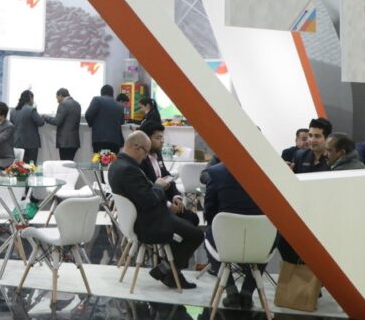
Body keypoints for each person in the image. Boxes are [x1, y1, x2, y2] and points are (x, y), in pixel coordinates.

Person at [108, 131, 202, 290]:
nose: (145, 156)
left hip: (143, 218)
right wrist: (158, 186)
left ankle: (169, 270)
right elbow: (148, 200)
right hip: (149, 223)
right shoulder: (129, 169)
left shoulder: (117, 164)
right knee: (197, 235)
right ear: (136, 147)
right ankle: (167, 271)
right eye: (145, 152)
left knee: (189, 221)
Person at [202, 161, 264, 308]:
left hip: (225, 239)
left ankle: (231, 291)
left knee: (209, 237)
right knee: (271, 239)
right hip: (260, 239)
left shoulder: (215, 172)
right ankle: (247, 292)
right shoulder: (268, 171)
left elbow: (209, 209)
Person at [139, 122, 198, 226]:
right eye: (158, 138)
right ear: (146, 139)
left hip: (166, 200)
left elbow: (167, 176)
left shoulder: (157, 154)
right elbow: (147, 190)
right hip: (155, 208)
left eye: (162, 137)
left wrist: (176, 196)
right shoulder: (141, 161)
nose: (162, 141)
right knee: (190, 223)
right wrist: (169, 205)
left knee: (193, 218)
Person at [43, 88, 81, 161]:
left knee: (64, 164)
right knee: (70, 163)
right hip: (74, 141)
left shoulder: (63, 104)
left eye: (57, 98)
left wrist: (45, 117)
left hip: (65, 142)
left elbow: (57, 121)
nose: (57, 100)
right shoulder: (77, 104)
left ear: (60, 95)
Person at [85, 84, 125, 153]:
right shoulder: (120, 105)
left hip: (100, 139)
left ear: (101, 93)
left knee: (101, 159)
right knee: (112, 160)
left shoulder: (97, 99)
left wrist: (92, 124)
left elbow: (88, 114)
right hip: (115, 141)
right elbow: (122, 121)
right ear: (112, 93)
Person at [10, 90, 44, 164]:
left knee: (19, 166)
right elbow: (41, 122)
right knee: (31, 166)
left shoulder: (13, 111)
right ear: (30, 98)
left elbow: (11, 125)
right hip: (31, 143)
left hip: (17, 143)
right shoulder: (31, 110)